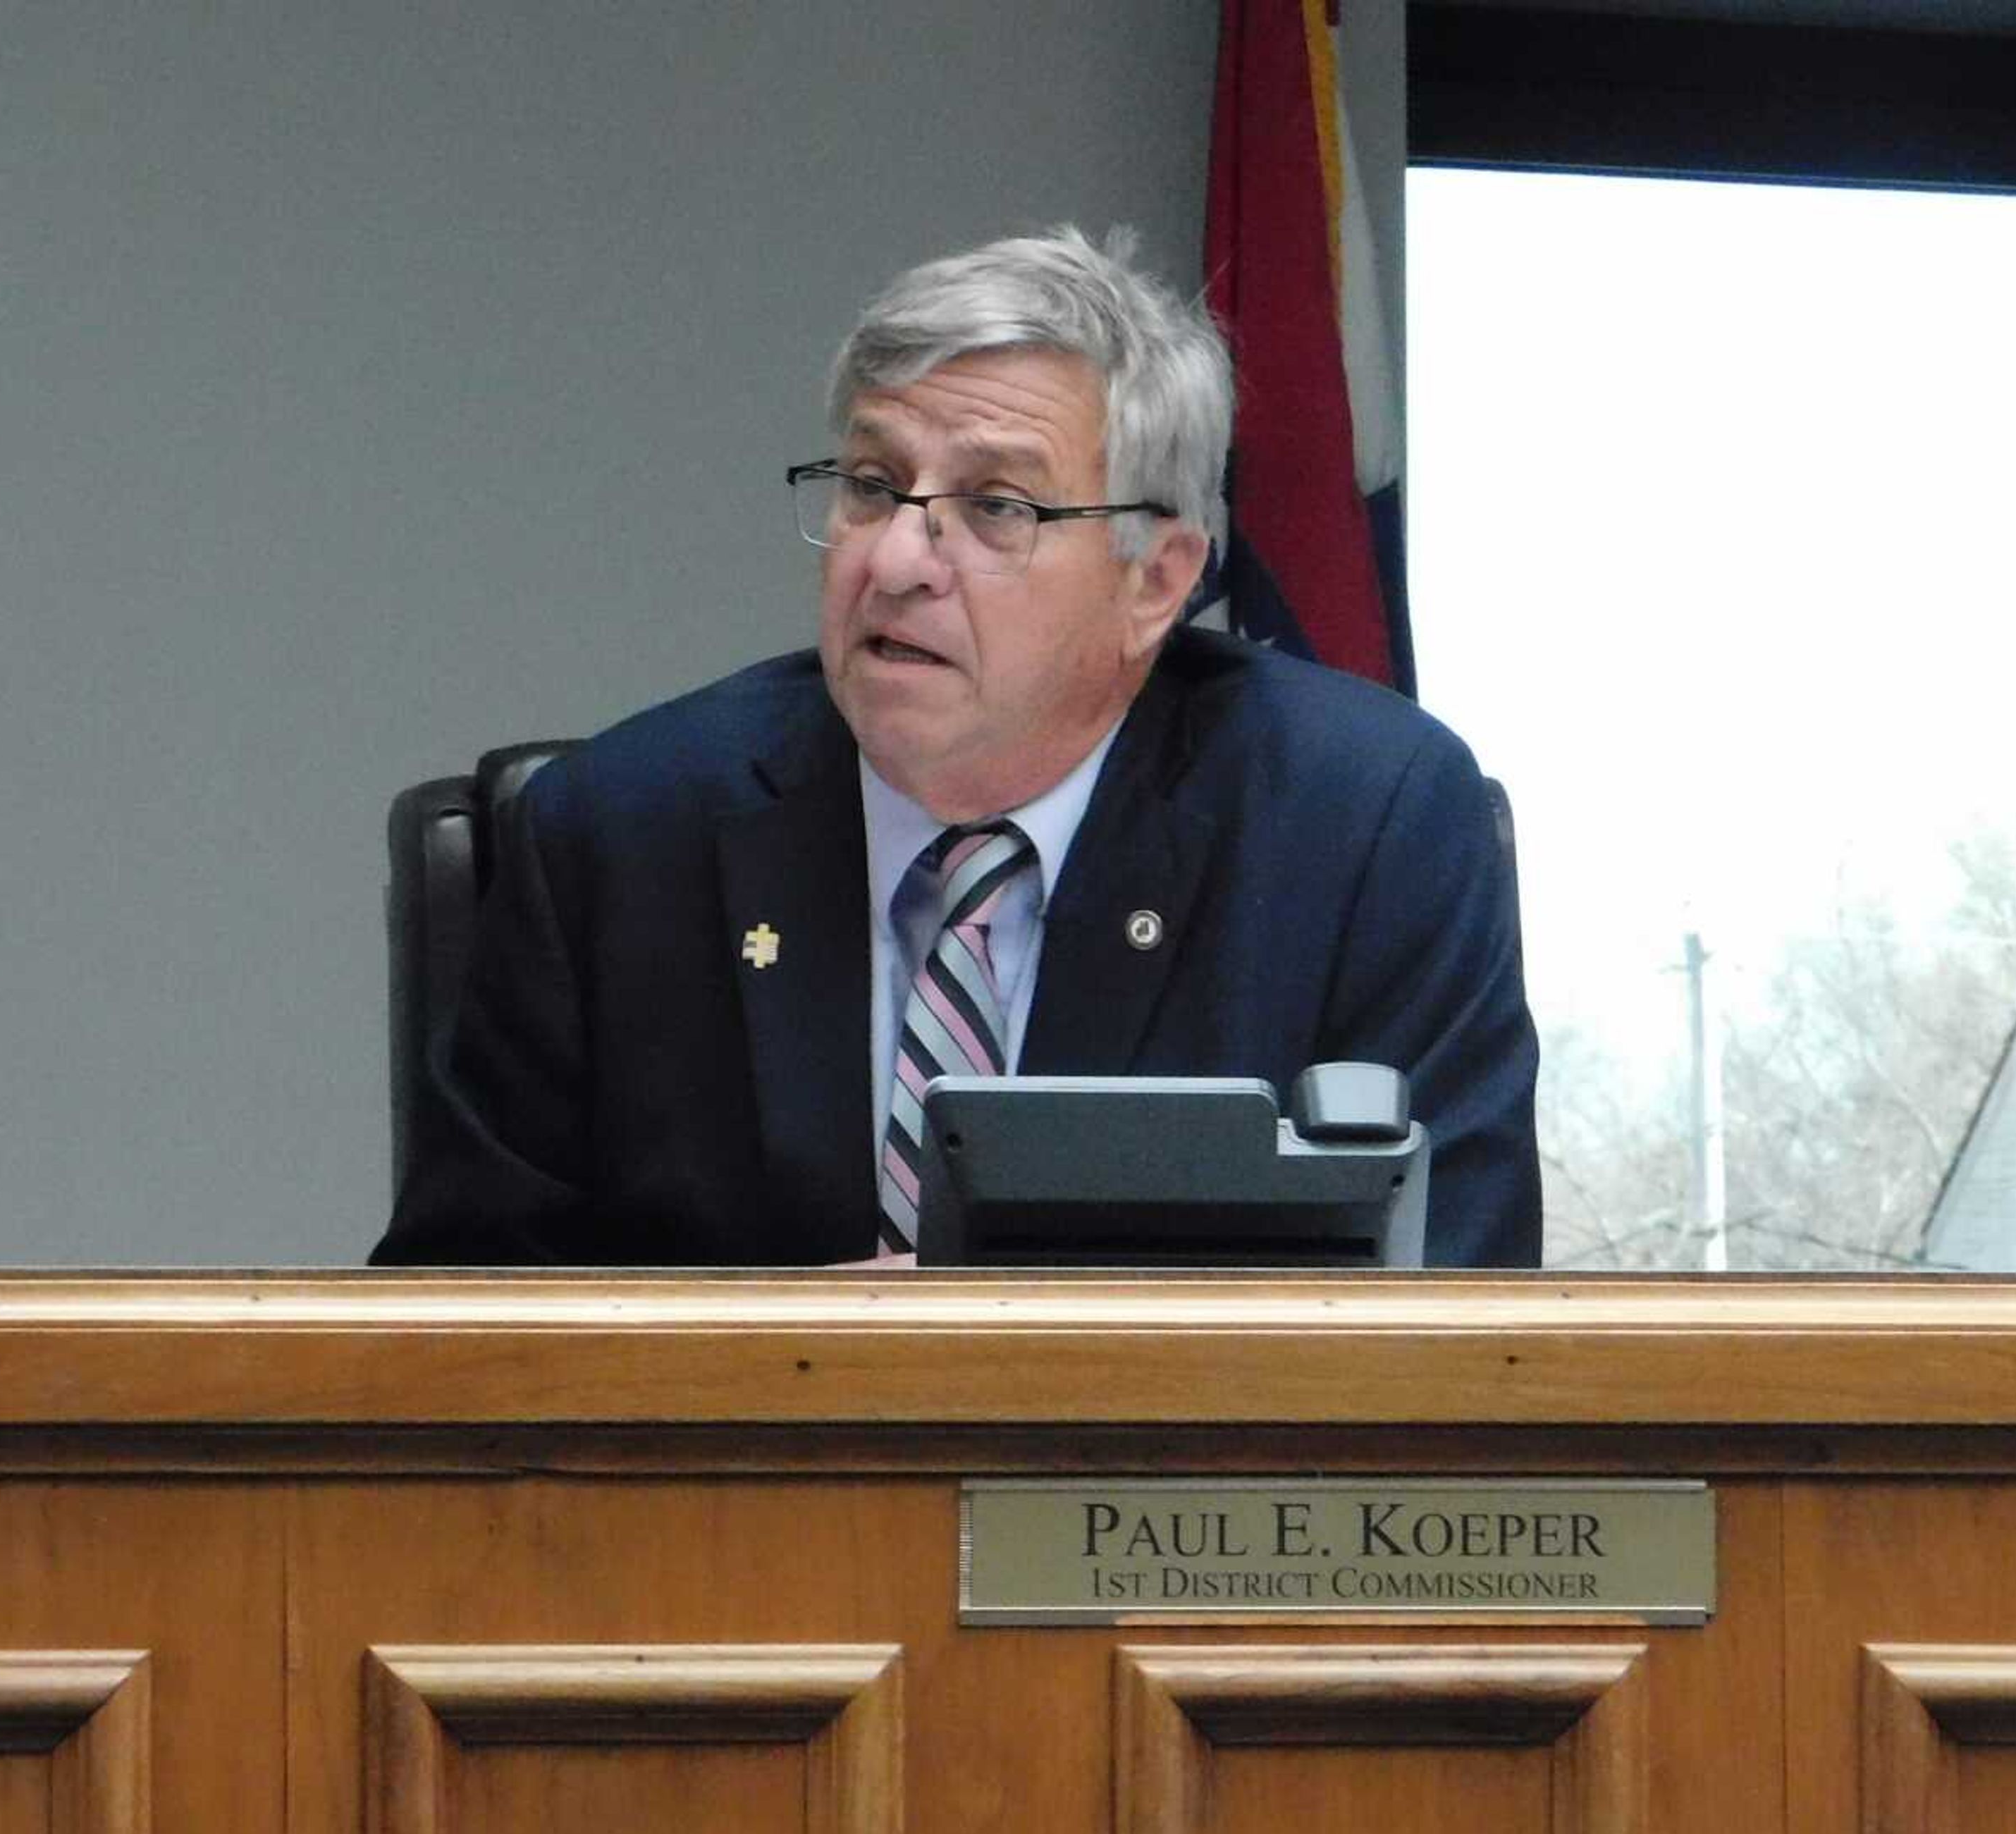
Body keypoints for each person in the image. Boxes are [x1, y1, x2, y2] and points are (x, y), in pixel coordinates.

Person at [373, 226, 1539, 1268]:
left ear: (1158, 585)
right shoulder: (620, 832)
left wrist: (991, 1374)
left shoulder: (1362, 826)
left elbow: (1461, 1324)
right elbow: (454, 1342)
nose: (894, 561)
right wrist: (808, 1369)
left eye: (997, 508)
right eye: (875, 487)